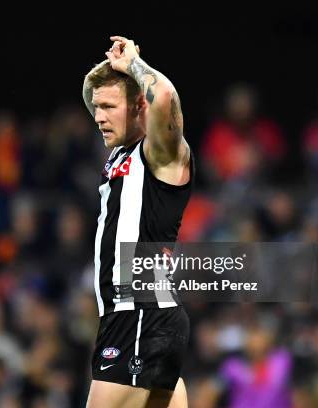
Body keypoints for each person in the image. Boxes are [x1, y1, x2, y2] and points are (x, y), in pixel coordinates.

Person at [82, 36, 194, 407]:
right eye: (97, 107)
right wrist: (106, 74)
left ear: (138, 107)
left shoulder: (161, 152)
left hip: (138, 311)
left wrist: (133, 64)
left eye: (109, 107)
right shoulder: (120, 153)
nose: (98, 117)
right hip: (143, 315)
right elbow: (93, 94)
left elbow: (163, 98)